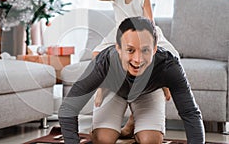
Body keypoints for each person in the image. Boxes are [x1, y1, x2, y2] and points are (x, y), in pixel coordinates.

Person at [58, 17, 205, 143]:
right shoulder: (104, 63)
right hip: (114, 91)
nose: (138, 59)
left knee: (150, 141)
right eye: (130, 50)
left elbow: (190, 113)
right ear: (118, 49)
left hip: (148, 92)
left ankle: (135, 122)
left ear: (154, 49)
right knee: (103, 140)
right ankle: (127, 127)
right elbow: (68, 108)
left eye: (145, 50)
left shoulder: (168, 65)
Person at [94, 0, 179, 135]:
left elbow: (149, 19)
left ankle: (165, 84)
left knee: (170, 54)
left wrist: (147, 37)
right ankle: (102, 87)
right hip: (121, 33)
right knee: (97, 54)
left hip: (143, 31)